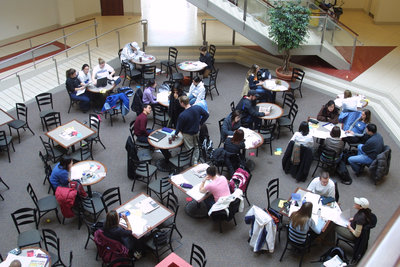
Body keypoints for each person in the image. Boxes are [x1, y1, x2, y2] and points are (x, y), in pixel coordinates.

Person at [174, 96, 209, 165]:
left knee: (190, 148)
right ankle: (195, 161)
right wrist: (200, 123)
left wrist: (175, 134)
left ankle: (192, 163)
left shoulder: (182, 115)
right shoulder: (197, 108)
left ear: (182, 103)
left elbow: (178, 127)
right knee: (196, 146)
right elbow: (206, 115)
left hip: (187, 134)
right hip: (196, 131)